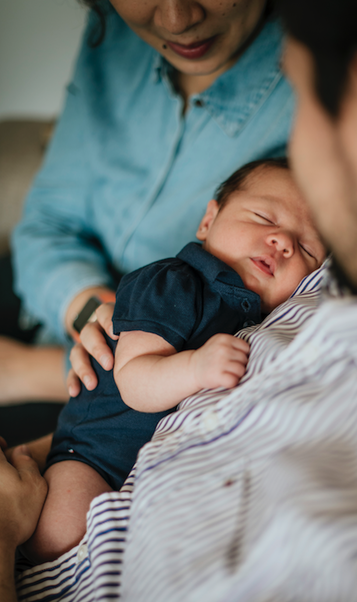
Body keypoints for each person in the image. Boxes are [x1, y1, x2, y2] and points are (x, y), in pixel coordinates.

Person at [0, 0, 357, 602]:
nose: (177, 15)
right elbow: (50, 230)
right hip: (84, 408)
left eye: (298, 106)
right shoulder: (351, 275)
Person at [22, 158, 325, 565]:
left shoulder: (261, 320)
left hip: (151, 469)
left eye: (306, 247)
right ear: (208, 221)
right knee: (59, 535)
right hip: (95, 453)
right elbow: (134, 379)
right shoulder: (174, 283)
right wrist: (196, 368)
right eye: (263, 216)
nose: (283, 242)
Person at [0, 0, 296, 408]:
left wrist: (36, 370)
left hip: (150, 387)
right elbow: (47, 223)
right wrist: (105, 322)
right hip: (70, 313)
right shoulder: (113, 35)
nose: (176, 20)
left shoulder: (322, 84)